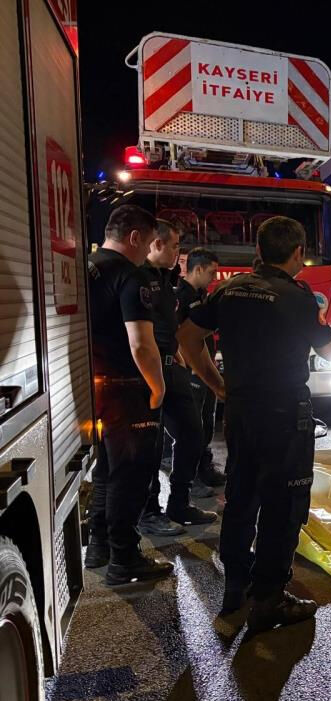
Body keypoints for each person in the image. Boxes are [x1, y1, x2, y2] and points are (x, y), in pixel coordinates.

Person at [178, 216, 331, 635]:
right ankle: (268, 598)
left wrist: (216, 385)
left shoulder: (227, 291)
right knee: (283, 506)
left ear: (257, 252)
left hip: (241, 411)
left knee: (240, 497)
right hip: (285, 415)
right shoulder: (297, 296)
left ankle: (234, 591)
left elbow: (186, 338)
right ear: (297, 254)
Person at [85, 205, 174, 585]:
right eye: (149, 241)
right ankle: (125, 558)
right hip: (125, 389)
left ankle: (99, 545)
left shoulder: (87, 267)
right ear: (135, 237)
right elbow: (141, 344)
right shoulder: (128, 274)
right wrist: (157, 387)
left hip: (92, 385)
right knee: (131, 473)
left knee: (106, 469)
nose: (147, 250)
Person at [138, 222, 218, 535]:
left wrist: (180, 359)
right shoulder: (138, 277)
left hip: (173, 367)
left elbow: (171, 328)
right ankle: (149, 512)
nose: (178, 253)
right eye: (174, 246)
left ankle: (180, 502)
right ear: (156, 243)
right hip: (149, 371)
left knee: (193, 433)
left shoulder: (165, 279)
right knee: (151, 445)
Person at [176, 248, 226, 493]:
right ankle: (193, 478)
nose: (214, 278)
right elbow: (182, 337)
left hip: (204, 366)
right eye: (211, 272)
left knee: (207, 420)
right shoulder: (181, 295)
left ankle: (204, 468)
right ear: (197, 269)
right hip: (191, 370)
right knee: (194, 426)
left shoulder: (201, 293)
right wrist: (194, 368)